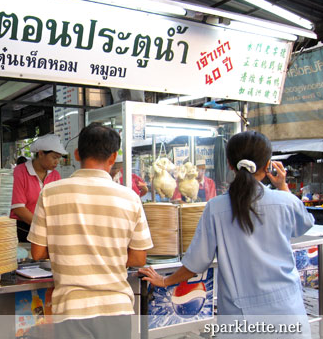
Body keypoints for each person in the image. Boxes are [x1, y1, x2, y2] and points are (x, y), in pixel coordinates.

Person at [139, 131, 314, 337]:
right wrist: (282, 186)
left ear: (230, 164)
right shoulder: (285, 201)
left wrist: (165, 280)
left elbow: (197, 262)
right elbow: (304, 224)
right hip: (288, 315)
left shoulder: (216, 207)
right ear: (268, 165)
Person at [28, 123, 153, 338]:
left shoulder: (50, 193)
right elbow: (139, 257)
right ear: (113, 158)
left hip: (71, 311)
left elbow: (37, 253)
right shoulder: (130, 198)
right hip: (117, 309)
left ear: (77, 154)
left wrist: (70, 251)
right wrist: (106, 253)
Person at [11, 134, 66, 242]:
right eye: (54, 157)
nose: (57, 162)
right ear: (41, 154)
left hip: (46, 228)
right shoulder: (20, 172)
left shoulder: (55, 175)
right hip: (22, 229)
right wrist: (42, 226)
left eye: (59, 158)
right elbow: (18, 208)